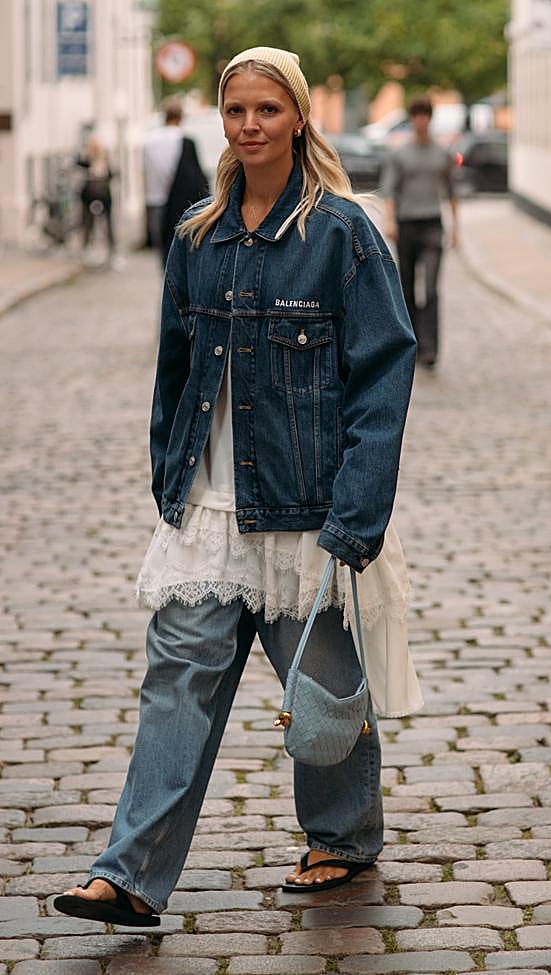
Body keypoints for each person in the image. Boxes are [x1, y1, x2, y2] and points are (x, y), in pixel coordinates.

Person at [53, 46, 422, 927]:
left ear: (298, 117)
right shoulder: (197, 234)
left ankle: (340, 839)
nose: (250, 126)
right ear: (222, 121)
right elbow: (174, 368)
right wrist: (166, 476)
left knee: (324, 694)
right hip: (211, 508)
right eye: (235, 111)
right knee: (174, 683)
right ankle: (128, 873)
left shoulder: (341, 233)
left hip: (310, 510)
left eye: (266, 110)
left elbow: (384, 373)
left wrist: (356, 515)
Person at [382, 95, 459, 369]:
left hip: (432, 224)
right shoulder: (400, 154)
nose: (421, 120)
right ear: (412, 118)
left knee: (431, 289)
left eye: (425, 115)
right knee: (407, 286)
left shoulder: (442, 154)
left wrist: (456, 230)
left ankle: (431, 348)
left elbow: (452, 192)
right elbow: (390, 191)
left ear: (430, 118)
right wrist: (390, 222)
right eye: (416, 115)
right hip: (406, 224)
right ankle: (411, 343)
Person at [142, 97, 209, 266]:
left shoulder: (149, 141)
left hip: (155, 199)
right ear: (181, 116)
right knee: (182, 248)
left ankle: (166, 282)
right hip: (180, 203)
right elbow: (196, 177)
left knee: (163, 248)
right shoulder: (185, 141)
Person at [76, 136, 117, 266]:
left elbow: (112, 174)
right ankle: (88, 249)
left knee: (107, 225)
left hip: (103, 197)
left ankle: (111, 251)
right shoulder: (86, 161)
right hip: (90, 197)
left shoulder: (104, 160)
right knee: (88, 223)